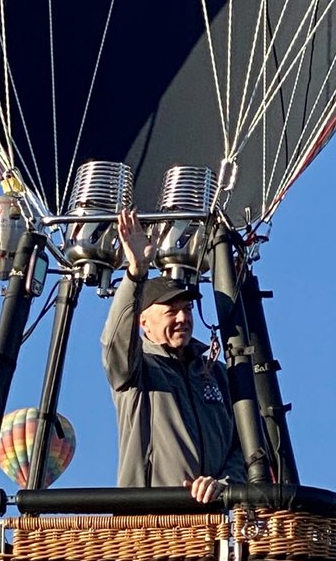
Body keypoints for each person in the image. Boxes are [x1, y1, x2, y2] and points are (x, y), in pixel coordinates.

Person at [101, 208, 246, 503]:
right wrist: (135, 274)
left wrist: (224, 483)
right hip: (150, 522)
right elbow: (115, 340)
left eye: (187, 309)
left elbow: (244, 445)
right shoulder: (136, 372)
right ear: (144, 323)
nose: (182, 318)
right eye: (171, 311)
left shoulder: (216, 373)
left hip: (209, 522)